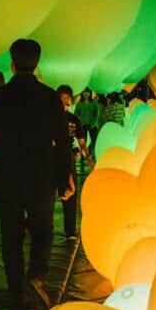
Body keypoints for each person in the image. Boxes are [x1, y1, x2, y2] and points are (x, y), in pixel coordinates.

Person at [0, 39, 73, 310]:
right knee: (43, 230)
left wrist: (1, 142)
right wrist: (64, 175)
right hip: (41, 176)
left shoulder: (0, 97)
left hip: (8, 177)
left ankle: (16, 288)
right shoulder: (49, 97)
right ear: (37, 64)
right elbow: (63, 142)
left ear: (12, 64)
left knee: (11, 235)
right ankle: (37, 274)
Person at [57, 84, 94, 240]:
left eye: (67, 97)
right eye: (62, 97)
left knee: (70, 194)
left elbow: (82, 142)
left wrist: (88, 159)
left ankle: (70, 231)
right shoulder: (49, 117)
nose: (65, 100)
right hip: (49, 158)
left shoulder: (74, 119)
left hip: (67, 158)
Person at [75, 87, 100, 155]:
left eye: (87, 92)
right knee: (83, 142)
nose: (86, 94)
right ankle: (84, 156)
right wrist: (80, 124)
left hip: (93, 125)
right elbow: (76, 115)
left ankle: (94, 154)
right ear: (82, 93)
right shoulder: (79, 103)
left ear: (90, 93)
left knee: (95, 141)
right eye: (84, 92)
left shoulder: (94, 103)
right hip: (83, 125)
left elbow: (97, 114)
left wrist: (92, 124)